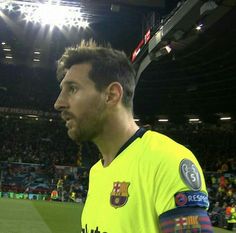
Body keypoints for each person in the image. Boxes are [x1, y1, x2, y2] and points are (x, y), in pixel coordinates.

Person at [54, 40, 213, 233]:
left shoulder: (166, 160)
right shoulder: (97, 172)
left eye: (72, 89)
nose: (59, 103)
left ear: (111, 95)